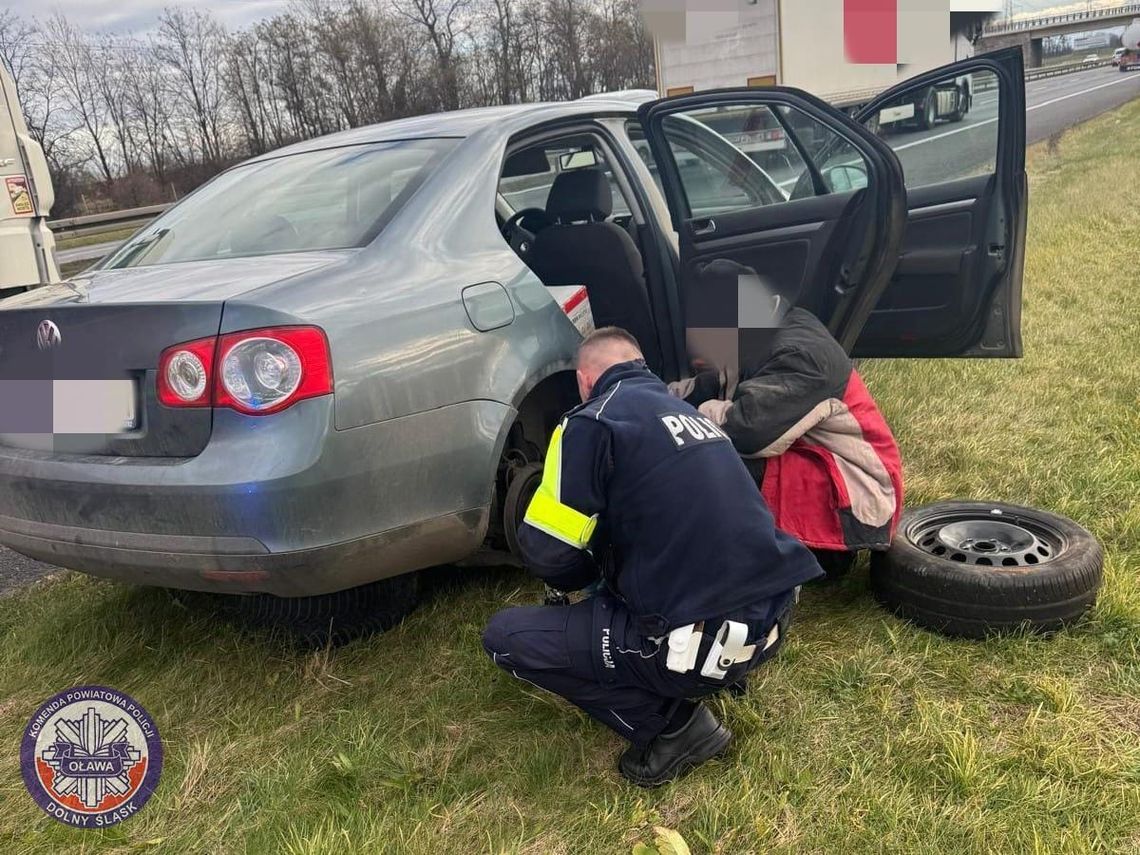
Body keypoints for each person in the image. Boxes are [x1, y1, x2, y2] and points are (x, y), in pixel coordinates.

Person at [483, 327, 823, 787]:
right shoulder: (692, 417)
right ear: (641, 366)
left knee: (508, 637)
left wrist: (592, 571)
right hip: (771, 622)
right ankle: (719, 672)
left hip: (696, 643)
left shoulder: (590, 421)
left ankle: (676, 728)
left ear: (585, 380)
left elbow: (550, 557)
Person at [673, 304, 904, 577]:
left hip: (854, 492)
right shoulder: (756, 331)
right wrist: (648, 396)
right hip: (811, 459)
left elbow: (747, 433)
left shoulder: (801, 357)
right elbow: (709, 386)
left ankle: (813, 558)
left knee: (710, 460)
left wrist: (681, 420)